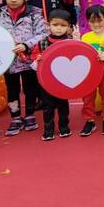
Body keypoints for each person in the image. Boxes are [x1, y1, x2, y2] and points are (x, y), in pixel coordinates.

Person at [0, 0, 48, 136]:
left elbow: (42, 34)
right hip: (8, 61)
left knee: (30, 88)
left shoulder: (35, 15)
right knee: (12, 89)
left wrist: (26, 45)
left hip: (29, 60)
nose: (13, 0)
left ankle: (30, 114)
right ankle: (15, 117)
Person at [30, 9, 74, 140]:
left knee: (63, 105)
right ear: (47, 25)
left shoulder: (71, 42)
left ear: (69, 27)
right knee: (48, 106)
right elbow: (33, 58)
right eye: (55, 25)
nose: (59, 29)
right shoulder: (42, 42)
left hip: (64, 81)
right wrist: (37, 59)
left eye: (63, 25)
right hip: (46, 81)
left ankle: (64, 127)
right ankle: (48, 130)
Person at [79, 5, 104, 137]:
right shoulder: (85, 37)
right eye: (92, 21)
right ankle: (89, 121)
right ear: (88, 22)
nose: (96, 24)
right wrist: (75, 40)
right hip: (88, 73)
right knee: (88, 97)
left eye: (99, 20)